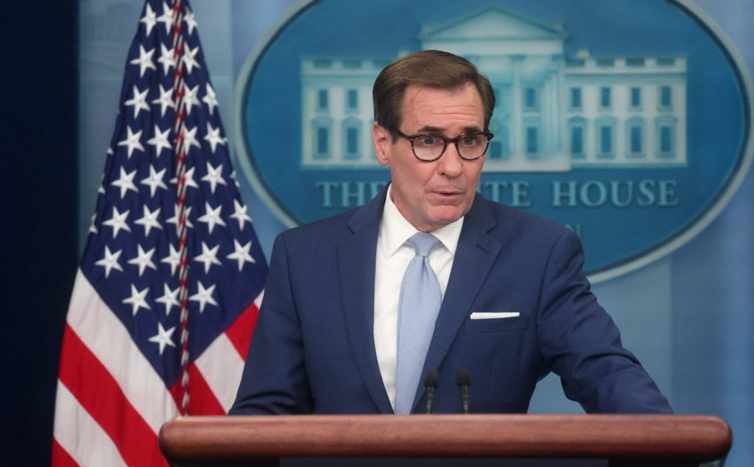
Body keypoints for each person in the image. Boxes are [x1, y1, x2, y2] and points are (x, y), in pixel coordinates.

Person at [230, 50, 671, 415]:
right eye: (429, 141)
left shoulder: (538, 254)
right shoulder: (306, 258)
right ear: (383, 144)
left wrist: (675, 461)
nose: (454, 166)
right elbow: (266, 410)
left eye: (470, 140)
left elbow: (606, 373)